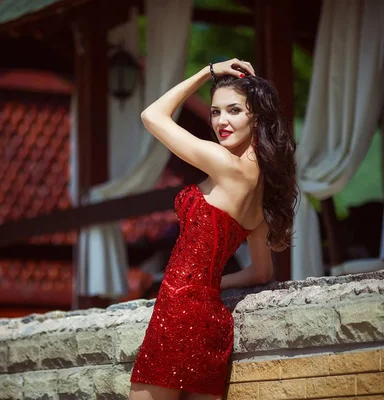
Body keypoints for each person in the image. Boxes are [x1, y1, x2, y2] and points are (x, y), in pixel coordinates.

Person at [129, 59, 298, 400]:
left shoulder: (225, 165)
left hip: (177, 315)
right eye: (215, 112)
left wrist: (208, 71)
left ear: (257, 116)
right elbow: (261, 272)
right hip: (211, 323)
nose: (222, 121)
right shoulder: (261, 198)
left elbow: (152, 116)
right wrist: (206, 285)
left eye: (234, 110)